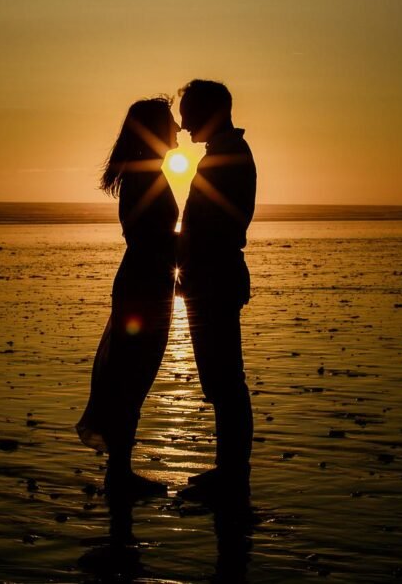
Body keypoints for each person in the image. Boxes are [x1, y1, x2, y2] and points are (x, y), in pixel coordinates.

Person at [77, 97, 180, 496]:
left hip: (149, 280)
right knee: (131, 373)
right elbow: (146, 235)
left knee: (133, 373)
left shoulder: (148, 173)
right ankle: (119, 474)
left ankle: (120, 470)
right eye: (170, 121)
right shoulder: (145, 177)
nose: (177, 128)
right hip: (144, 283)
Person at [175, 79, 257, 500]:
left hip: (215, 278)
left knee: (225, 381)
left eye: (189, 112)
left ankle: (231, 475)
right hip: (212, 277)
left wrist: (182, 257)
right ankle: (229, 471)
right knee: (221, 381)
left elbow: (216, 226)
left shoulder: (228, 157)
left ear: (212, 111)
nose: (183, 122)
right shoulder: (225, 155)